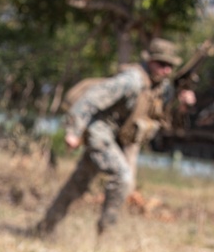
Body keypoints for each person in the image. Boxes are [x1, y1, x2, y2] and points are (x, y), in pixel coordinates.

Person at [34, 38, 197, 235]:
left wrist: (183, 105)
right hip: (100, 132)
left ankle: (44, 228)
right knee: (123, 177)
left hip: (118, 139)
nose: (166, 70)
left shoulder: (163, 89)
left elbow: (170, 123)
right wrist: (74, 132)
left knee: (77, 184)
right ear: (150, 61)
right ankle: (106, 234)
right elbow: (90, 99)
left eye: (170, 66)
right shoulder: (131, 81)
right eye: (161, 64)